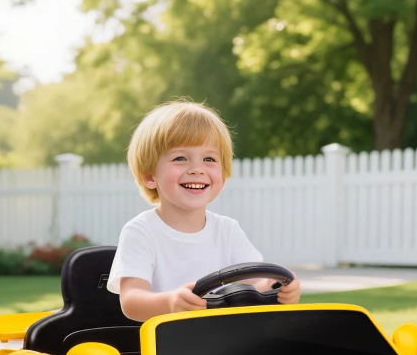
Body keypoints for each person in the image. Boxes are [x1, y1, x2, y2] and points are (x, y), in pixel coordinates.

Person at [107, 100, 301, 321]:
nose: (197, 170)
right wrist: (170, 302)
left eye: (209, 159)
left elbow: (256, 281)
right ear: (150, 176)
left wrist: (276, 286)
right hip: (166, 345)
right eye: (180, 158)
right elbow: (131, 301)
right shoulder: (141, 231)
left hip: (224, 340)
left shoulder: (227, 230)